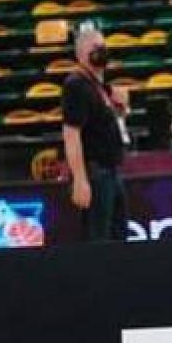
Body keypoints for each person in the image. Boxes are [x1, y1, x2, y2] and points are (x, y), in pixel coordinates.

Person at [61, 26, 129, 242]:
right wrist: (80, 179)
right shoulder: (76, 85)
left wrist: (121, 109)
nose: (102, 51)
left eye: (104, 47)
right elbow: (71, 134)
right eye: (96, 48)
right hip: (96, 172)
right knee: (98, 239)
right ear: (81, 54)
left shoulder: (99, 85)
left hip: (112, 171)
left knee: (118, 234)